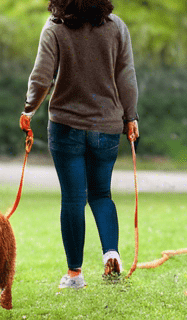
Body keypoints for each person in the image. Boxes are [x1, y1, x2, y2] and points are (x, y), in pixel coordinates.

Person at [19, 0, 139, 289]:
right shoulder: (116, 27)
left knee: (73, 198)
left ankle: (74, 275)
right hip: (107, 126)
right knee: (101, 194)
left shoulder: (55, 28)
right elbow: (126, 76)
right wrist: (130, 116)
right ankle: (111, 252)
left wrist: (29, 109)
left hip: (65, 126)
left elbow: (42, 76)